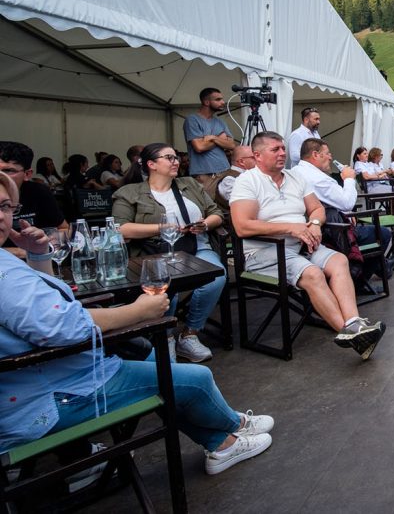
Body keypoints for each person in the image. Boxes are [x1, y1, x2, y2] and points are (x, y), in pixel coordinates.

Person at [0, 172, 274, 475]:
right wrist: (139, 311)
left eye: (4, 207)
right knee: (192, 379)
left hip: (44, 377)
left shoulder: (7, 262)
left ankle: (222, 440)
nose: (2, 216)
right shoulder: (5, 274)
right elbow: (62, 326)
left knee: (153, 358)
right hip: (43, 399)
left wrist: (38, 254)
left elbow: (47, 307)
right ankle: (232, 427)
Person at [231, 132, 386, 359]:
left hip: (303, 245)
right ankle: (352, 334)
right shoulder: (248, 181)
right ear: (257, 155)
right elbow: (242, 227)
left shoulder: (294, 177)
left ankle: (354, 323)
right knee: (313, 274)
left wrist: (314, 224)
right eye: (275, 149)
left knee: (339, 260)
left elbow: (317, 209)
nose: (283, 153)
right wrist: (291, 228)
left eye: (283, 148)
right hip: (266, 251)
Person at [113, 144, 227, 363]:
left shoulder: (189, 184)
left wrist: (205, 224)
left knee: (218, 275)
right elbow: (120, 228)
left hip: (195, 246)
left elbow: (216, 214)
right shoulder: (131, 192)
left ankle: (190, 334)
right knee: (165, 284)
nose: (176, 161)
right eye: (169, 158)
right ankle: (164, 336)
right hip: (154, 252)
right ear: (151, 164)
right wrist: (160, 228)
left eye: (176, 157)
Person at [293, 139, 392, 285]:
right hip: (332, 232)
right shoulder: (319, 179)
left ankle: (382, 265)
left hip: (316, 229)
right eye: (327, 153)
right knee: (383, 233)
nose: (331, 157)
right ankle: (360, 281)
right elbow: (347, 202)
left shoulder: (295, 171)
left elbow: (333, 203)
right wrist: (349, 179)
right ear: (315, 154)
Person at [2, 142, 69, 258]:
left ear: (27, 174)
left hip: (37, 263)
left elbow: (63, 229)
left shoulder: (38, 192)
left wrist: (46, 244)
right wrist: (21, 252)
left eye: (9, 171)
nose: (1, 176)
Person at [184, 87, 236, 198]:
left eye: (222, 99)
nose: (223, 102)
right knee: (209, 207)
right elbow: (199, 147)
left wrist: (213, 138)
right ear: (206, 102)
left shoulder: (220, 121)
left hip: (225, 171)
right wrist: (220, 139)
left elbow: (231, 145)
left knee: (228, 206)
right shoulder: (192, 120)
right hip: (205, 174)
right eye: (218, 99)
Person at [214, 145, 256, 212]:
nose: (258, 159)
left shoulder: (250, 175)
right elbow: (244, 204)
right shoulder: (229, 180)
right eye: (253, 157)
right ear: (241, 162)